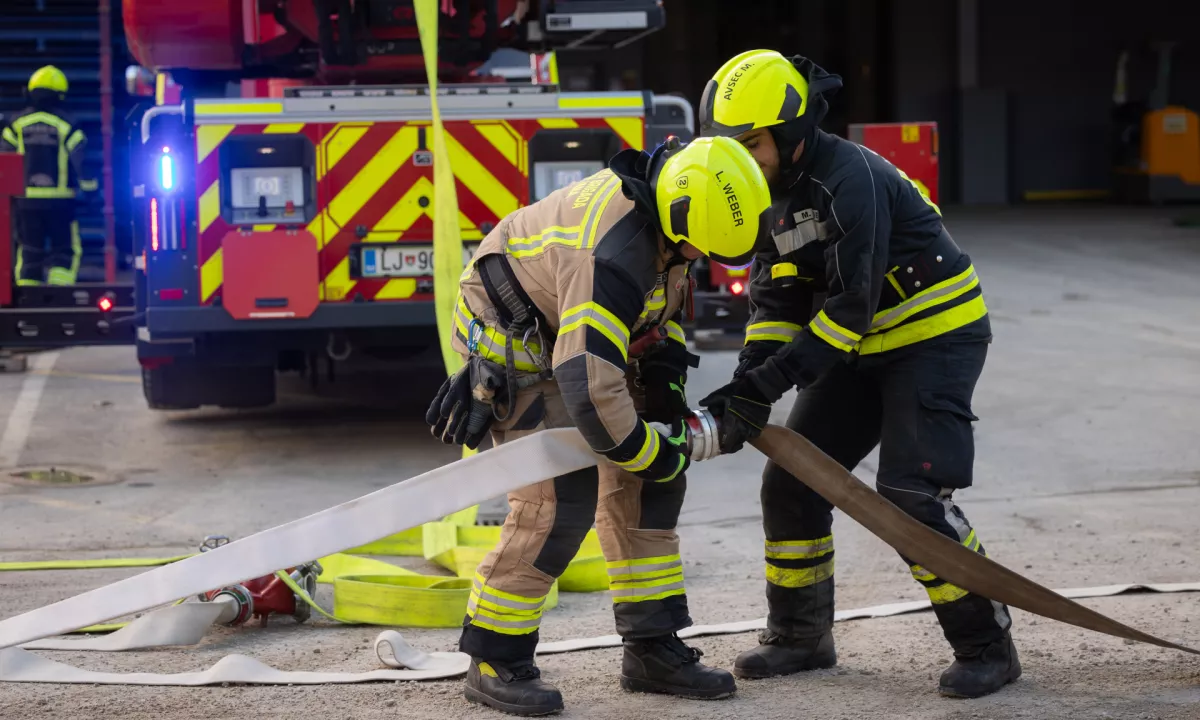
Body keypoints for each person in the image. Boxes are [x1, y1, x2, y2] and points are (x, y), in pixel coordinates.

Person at [694, 50, 1020, 699]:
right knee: (791, 484)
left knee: (913, 495)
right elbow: (777, 302)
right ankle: (800, 637)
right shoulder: (761, 192)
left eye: (750, 142)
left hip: (932, 336)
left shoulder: (850, 176)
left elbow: (848, 307)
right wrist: (747, 385)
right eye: (726, 144)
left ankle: (987, 644)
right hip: (857, 346)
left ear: (790, 131)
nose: (739, 158)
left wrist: (764, 387)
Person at [426, 135, 771, 716]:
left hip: (581, 334)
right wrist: (649, 449)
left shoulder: (673, 207)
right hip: (521, 340)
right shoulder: (613, 254)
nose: (696, 259)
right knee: (559, 502)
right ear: (678, 220)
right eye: (695, 249)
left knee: (652, 486)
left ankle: (651, 647)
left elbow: (657, 304)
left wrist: (663, 375)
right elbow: (586, 382)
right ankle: (495, 658)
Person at [0, 65, 97, 286]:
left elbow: (3, 160)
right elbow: (81, 161)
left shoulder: (16, 125)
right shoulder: (68, 125)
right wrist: (91, 192)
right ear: (60, 95)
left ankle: (26, 300)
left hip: (25, 201)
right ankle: (58, 296)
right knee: (63, 251)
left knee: (29, 250)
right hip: (61, 202)